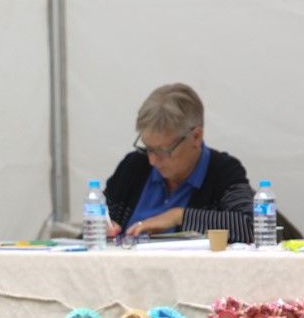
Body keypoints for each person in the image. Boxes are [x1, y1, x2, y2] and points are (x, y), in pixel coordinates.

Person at [105, 83, 254, 244]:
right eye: (148, 148)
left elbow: (250, 227)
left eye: (163, 151)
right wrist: (103, 227)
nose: (152, 160)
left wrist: (178, 216)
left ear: (196, 136)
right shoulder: (134, 167)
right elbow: (99, 220)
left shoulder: (223, 172)